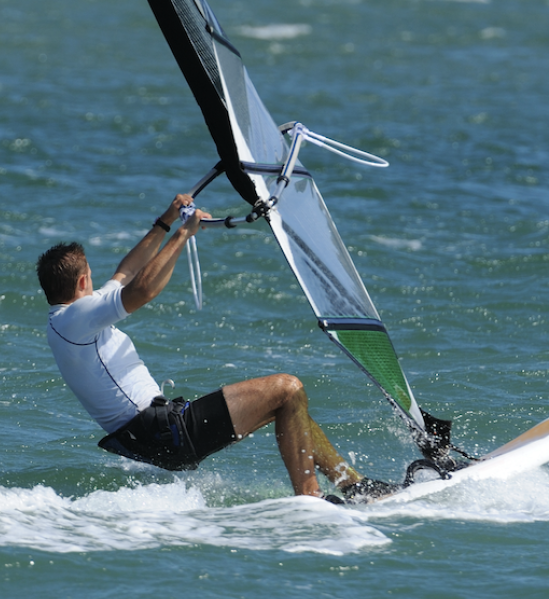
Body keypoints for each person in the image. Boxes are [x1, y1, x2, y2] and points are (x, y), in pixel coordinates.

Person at [37, 193, 394, 502]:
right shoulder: (77, 317)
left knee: (289, 405)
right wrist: (182, 234)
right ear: (83, 280)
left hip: (156, 437)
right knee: (288, 388)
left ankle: (353, 485)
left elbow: (126, 274)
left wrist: (163, 223)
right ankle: (311, 497)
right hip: (163, 431)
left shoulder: (66, 320)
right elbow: (140, 291)